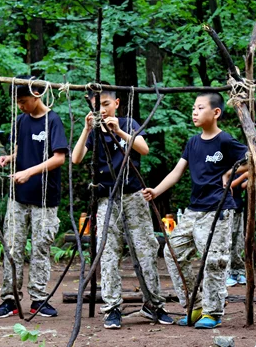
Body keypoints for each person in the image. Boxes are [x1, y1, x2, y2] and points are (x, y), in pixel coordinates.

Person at [142, 93, 247, 329]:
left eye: (200, 108)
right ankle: (195, 305)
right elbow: (177, 172)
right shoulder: (193, 142)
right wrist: (156, 191)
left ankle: (213, 311)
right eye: (193, 108)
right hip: (193, 211)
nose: (194, 112)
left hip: (217, 209)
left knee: (213, 261)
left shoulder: (225, 141)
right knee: (172, 252)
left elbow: (251, 158)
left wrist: (230, 173)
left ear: (216, 112)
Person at [72, 87, 173, 329]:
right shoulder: (93, 131)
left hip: (134, 196)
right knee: (108, 253)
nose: (103, 109)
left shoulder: (128, 123)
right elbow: (76, 159)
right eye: (97, 106)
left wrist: (119, 131)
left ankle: (154, 305)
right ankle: (112, 308)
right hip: (107, 198)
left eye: (106, 103)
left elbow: (144, 149)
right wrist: (86, 129)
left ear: (116, 102)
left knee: (146, 249)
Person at [0, 81, 68, 318]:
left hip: (45, 198)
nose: (21, 106)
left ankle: (39, 299)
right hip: (19, 197)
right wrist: (9, 158)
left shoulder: (52, 120)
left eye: (23, 101)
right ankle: (10, 299)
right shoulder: (21, 120)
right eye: (18, 102)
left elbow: (59, 158)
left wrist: (29, 172)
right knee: (12, 247)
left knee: (41, 248)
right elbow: (22, 150)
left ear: (36, 95)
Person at [226, 172, 248, 288]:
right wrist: (244, 176)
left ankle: (237, 272)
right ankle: (226, 274)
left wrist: (252, 177)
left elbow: (242, 185)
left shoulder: (238, 168)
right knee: (227, 242)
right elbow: (228, 184)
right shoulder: (224, 166)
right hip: (227, 209)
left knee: (238, 243)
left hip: (238, 208)